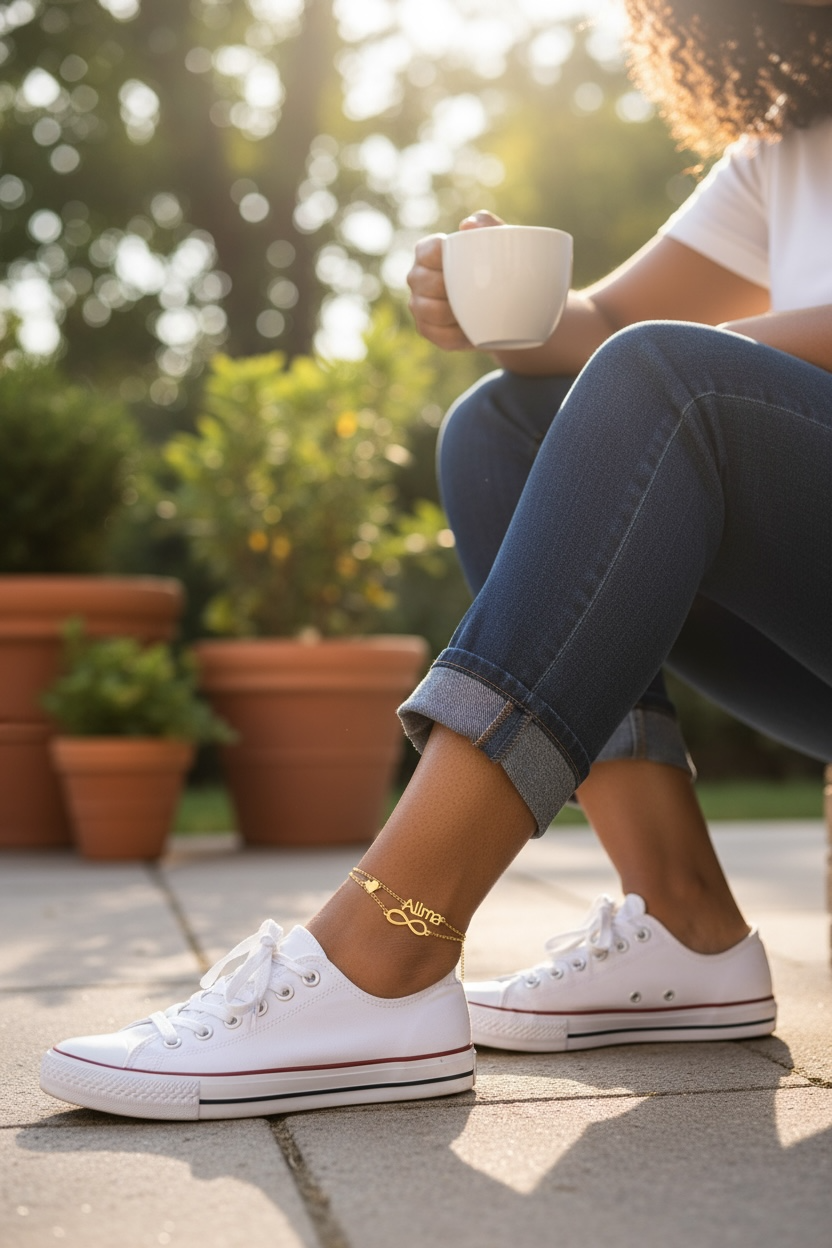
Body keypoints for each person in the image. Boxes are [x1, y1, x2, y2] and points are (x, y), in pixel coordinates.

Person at [40, 0, 832, 1119]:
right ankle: (684, 920)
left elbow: (666, 365)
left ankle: (384, 951)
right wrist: (503, 307)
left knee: (665, 383)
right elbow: (603, 321)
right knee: (504, 423)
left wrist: (651, 366)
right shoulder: (782, 142)